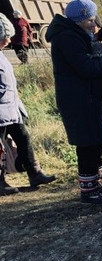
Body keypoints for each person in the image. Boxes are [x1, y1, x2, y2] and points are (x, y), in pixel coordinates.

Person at [45, 0, 102, 204]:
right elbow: (85, 68)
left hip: (87, 97)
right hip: (78, 101)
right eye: (90, 19)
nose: (93, 24)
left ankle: (95, 183)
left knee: (97, 140)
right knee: (88, 144)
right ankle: (89, 191)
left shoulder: (76, 34)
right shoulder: (67, 38)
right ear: (79, 19)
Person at [0, 13, 55, 195]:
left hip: (11, 109)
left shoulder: (2, 55)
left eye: (8, 36)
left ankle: (35, 173)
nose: (8, 40)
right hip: (1, 111)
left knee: (23, 137)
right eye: (4, 37)